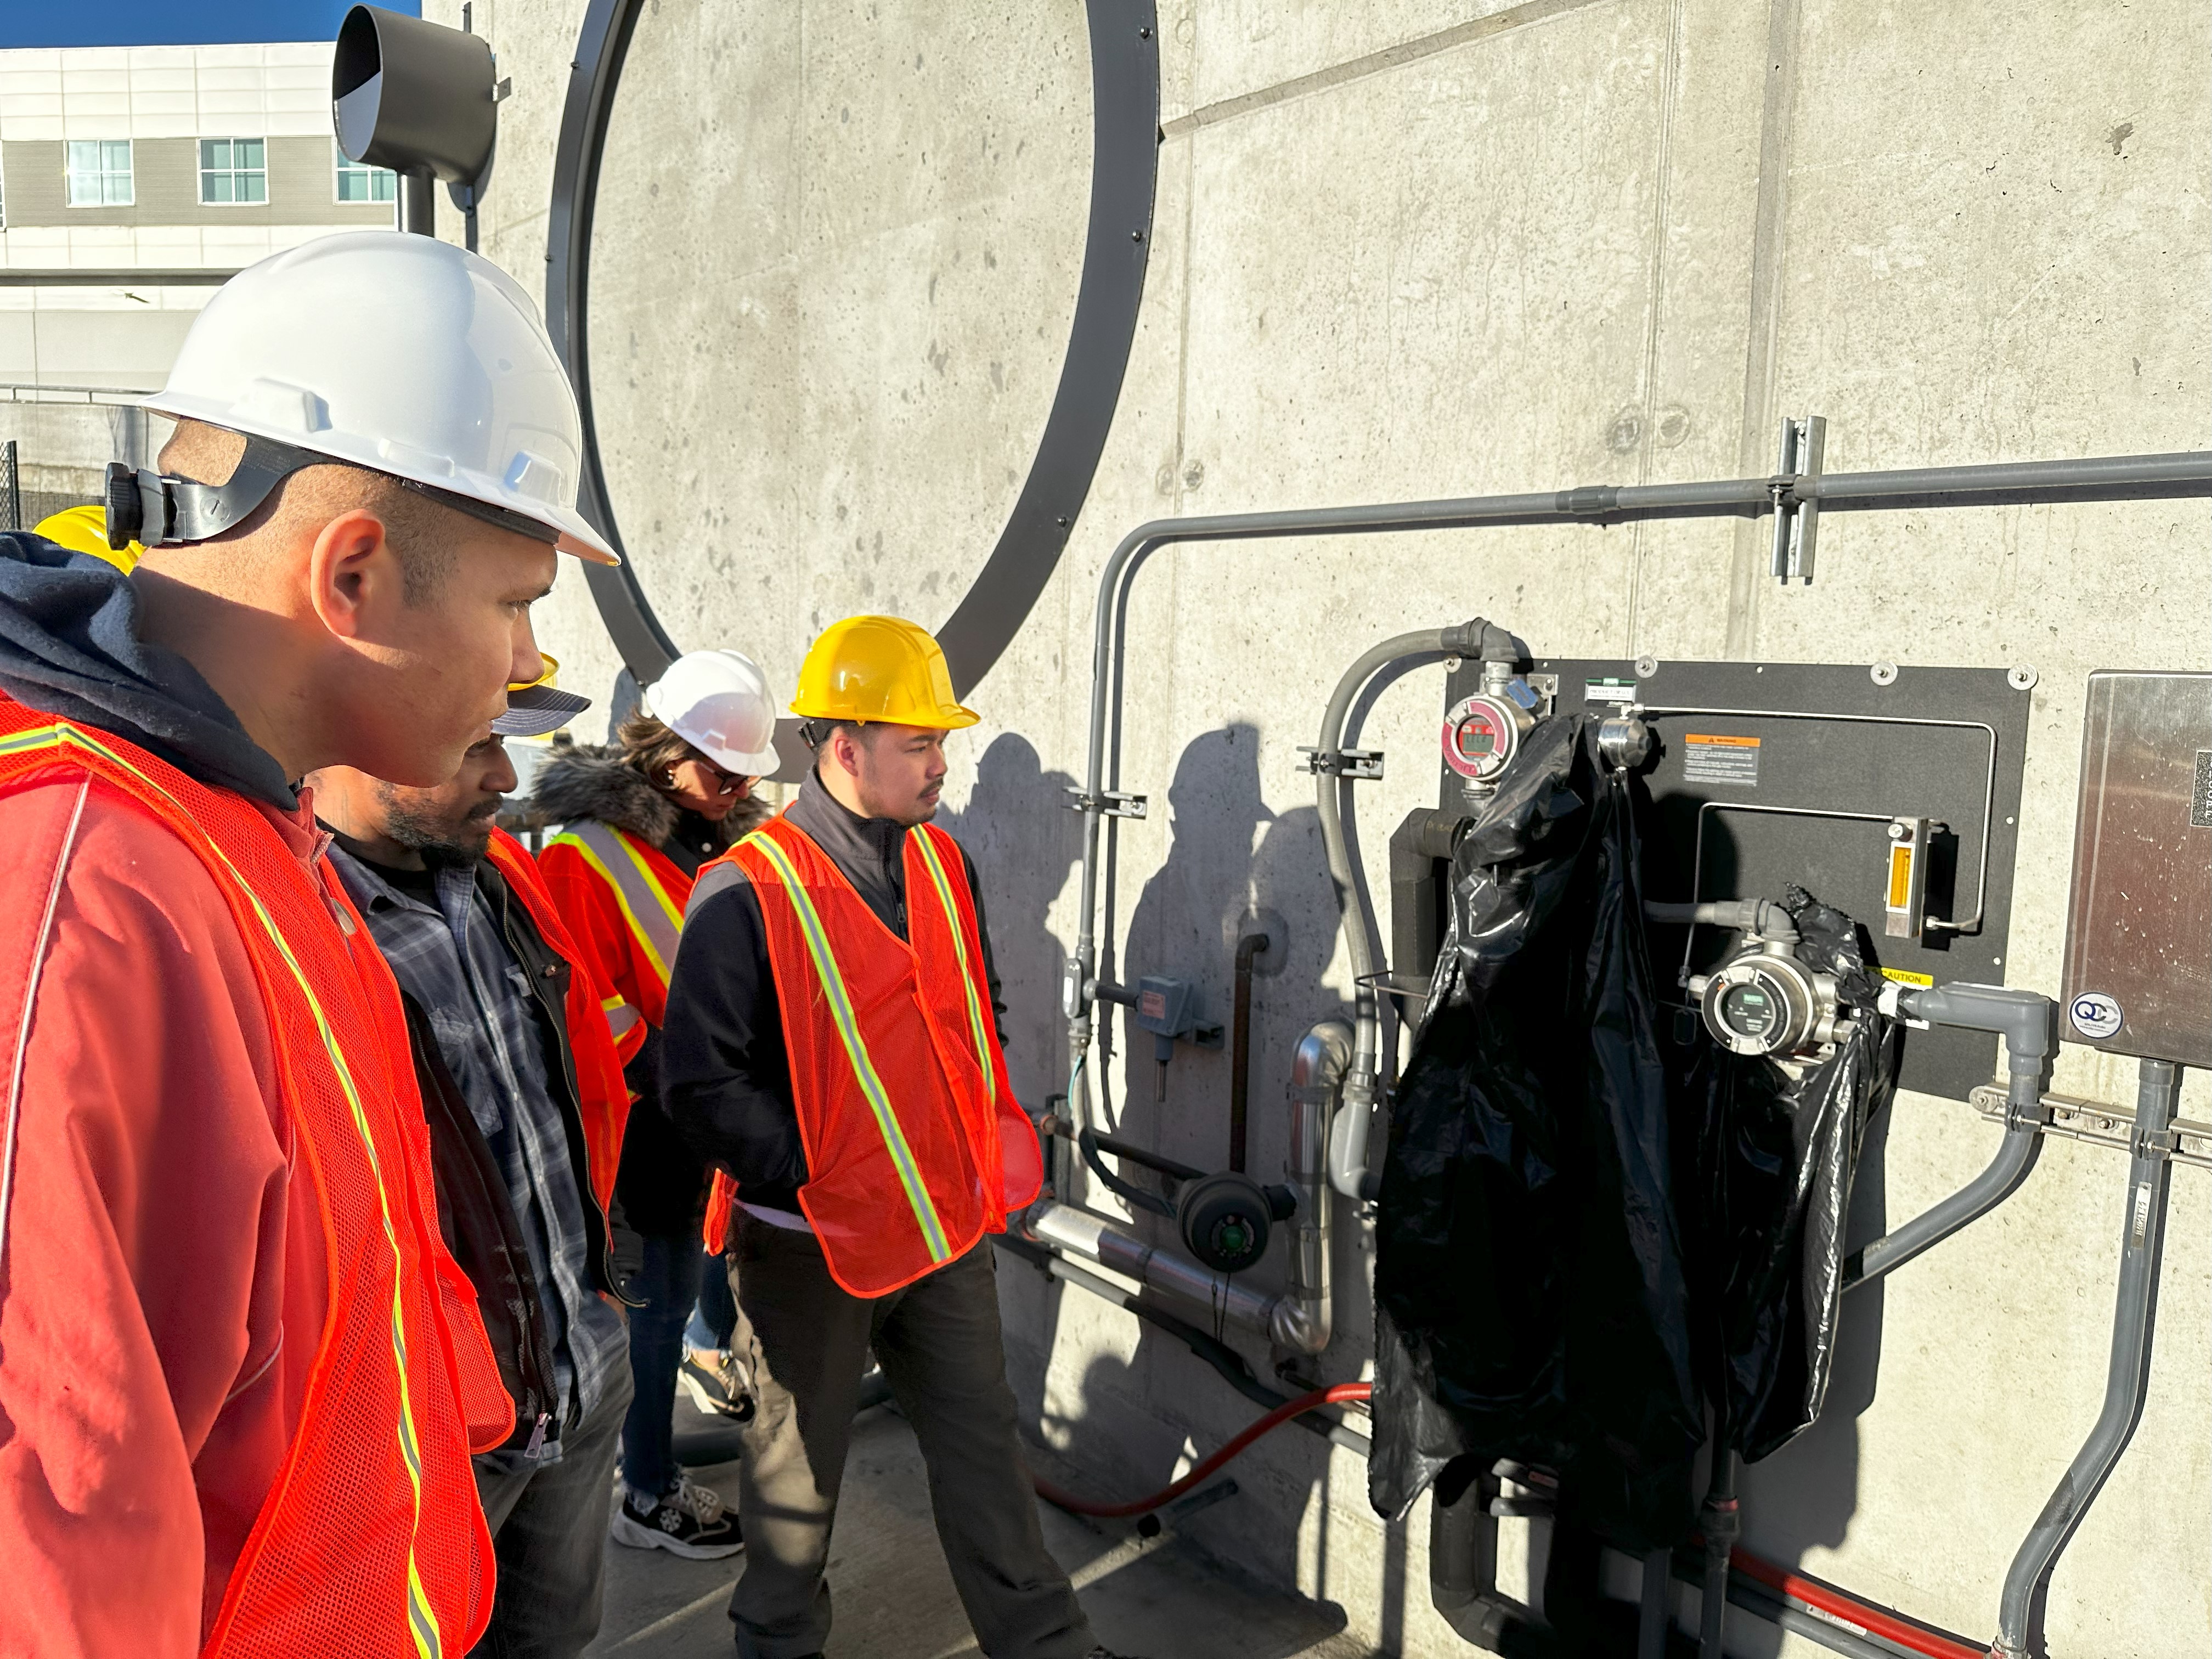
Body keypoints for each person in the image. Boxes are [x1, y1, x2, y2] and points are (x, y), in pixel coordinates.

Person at [0, 229, 618, 1657]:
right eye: (520, 604)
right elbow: (55, 1567)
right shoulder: (82, 896)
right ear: (353, 577)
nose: (531, 666)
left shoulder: (241, 844)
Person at [661, 615, 1141, 1659]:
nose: (941, 762)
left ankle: (1048, 1645)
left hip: (942, 1227)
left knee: (985, 1453)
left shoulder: (941, 863)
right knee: (796, 1488)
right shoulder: (748, 892)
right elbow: (699, 1085)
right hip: (811, 1245)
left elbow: (971, 1011)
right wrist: (819, 1171)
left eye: (940, 741)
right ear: (844, 747)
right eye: (919, 743)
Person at [308, 694, 635, 1658]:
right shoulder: (292, 917)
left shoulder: (496, 880)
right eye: (474, 744)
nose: (506, 777)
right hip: (435, 1438)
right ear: (353, 734)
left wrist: (601, 1316)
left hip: (579, 1371)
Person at [531, 647, 778, 1557]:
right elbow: (576, 999)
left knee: (682, 1290)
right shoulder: (583, 856)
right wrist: (670, 1062)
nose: (735, 786)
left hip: (702, 1109)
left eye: (747, 772)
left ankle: (655, 1451)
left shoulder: (718, 840)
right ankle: (644, 1492)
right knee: (652, 1305)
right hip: (640, 1126)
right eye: (721, 768)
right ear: (666, 751)